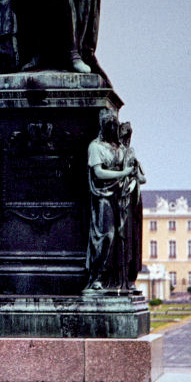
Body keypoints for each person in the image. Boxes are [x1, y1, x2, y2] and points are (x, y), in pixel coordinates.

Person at [85, 109, 132, 291]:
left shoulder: (120, 149)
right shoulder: (95, 147)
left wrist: (131, 177)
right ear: (103, 127)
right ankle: (96, 276)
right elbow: (98, 172)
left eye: (115, 125)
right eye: (109, 125)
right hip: (102, 195)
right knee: (106, 236)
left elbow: (134, 171)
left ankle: (113, 278)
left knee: (120, 236)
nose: (113, 128)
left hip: (119, 197)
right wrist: (123, 173)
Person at [117, 121, 146, 288]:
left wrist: (133, 174)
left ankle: (128, 278)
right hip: (121, 200)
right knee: (123, 239)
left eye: (128, 137)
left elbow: (143, 178)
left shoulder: (131, 154)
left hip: (131, 200)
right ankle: (122, 278)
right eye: (124, 136)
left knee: (130, 240)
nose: (126, 140)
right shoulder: (116, 153)